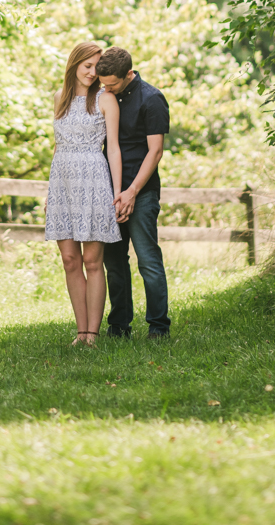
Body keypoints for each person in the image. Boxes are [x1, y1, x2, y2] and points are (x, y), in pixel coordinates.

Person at [45, 41, 123, 346]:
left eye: (96, 66)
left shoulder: (106, 99)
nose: (92, 72)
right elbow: (57, 146)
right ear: (74, 64)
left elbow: (113, 148)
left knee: (92, 260)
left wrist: (116, 193)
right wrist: (51, 190)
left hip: (93, 181)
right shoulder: (59, 98)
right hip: (63, 181)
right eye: (87, 66)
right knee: (69, 259)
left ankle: (92, 333)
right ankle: (80, 331)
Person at [97, 46, 171, 339]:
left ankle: (158, 326)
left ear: (129, 74)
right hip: (108, 191)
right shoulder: (104, 97)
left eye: (112, 83)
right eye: (103, 83)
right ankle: (119, 325)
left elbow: (155, 152)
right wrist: (116, 192)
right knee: (113, 263)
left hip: (141, 192)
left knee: (148, 259)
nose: (107, 88)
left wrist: (131, 192)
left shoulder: (151, 99)